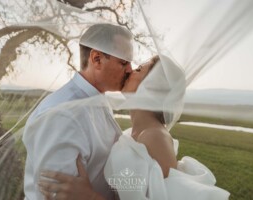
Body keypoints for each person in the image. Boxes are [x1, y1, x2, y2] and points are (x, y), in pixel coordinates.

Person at [37, 56, 230, 200]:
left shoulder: (156, 138)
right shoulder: (132, 134)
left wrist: (89, 196)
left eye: (138, 69)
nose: (129, 71)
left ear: (153, 86)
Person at [22, 23, 159, 200]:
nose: (130, 70)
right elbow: (55, 195)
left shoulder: (97, 99)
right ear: (97, 59)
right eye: (123, 62)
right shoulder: (62, 116)